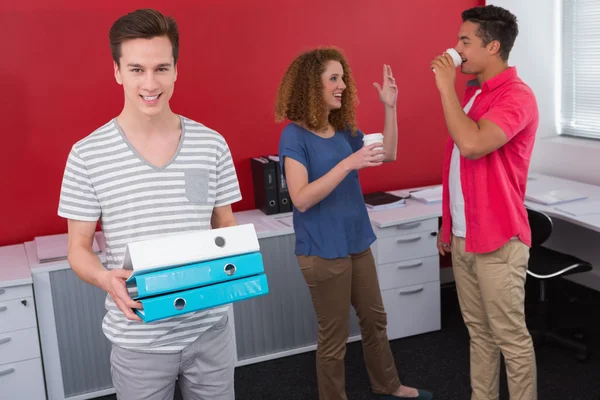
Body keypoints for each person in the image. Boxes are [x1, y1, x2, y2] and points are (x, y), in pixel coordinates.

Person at [58, 8, 241, 400]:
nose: (150, 83)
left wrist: (236, 260)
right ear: (118, 71)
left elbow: (225, 222)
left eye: (161, 68)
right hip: (139, 338)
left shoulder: (212, 144)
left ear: (176, 70)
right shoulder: (87, 154)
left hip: (212, 329)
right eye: (137, 69)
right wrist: (106, 279)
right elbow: (78, 247)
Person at [275, 47, 433, 400]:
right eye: (334, 78)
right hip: (321, 249)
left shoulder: (343, 129)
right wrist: (349, 163)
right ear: (311, 86)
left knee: (375, 322)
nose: (343, 85)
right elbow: (300, 198)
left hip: (356, 242)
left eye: (343, 77)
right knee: (333, 338)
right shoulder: (294, 136)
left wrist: (389, 107)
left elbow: (387, 154)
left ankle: (388, 385)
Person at [431, 5, 538, 400]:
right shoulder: (474, 94)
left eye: (465, 41)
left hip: (499, 240)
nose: (455, 48)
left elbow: (473, 145)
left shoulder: (517, 97)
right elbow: (456, 165)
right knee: (478, 334)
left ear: (492, 47)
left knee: (510, 338)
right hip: (464, 235)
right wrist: (448, 223)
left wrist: (444, 87)